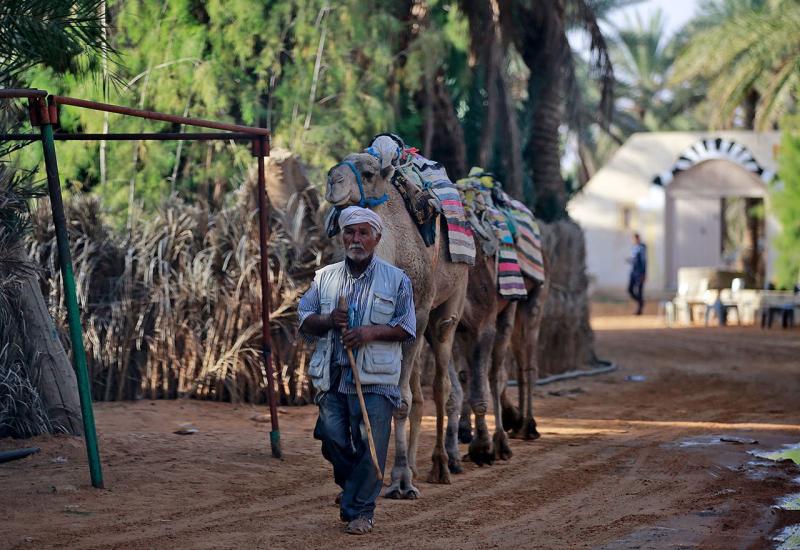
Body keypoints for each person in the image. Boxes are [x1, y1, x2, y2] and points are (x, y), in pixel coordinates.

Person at [297, 206, 415, 535]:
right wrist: (328, 320)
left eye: (364, 233)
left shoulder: (397, 280)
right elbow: (304, 319)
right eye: (350, 232)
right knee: (331, 438)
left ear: (377, 238)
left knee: (371, 447)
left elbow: (407, 327)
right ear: (342, 236)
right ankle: (353, 486)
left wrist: (369, 333)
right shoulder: (325, 278)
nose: (356, 239)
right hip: (333, 377)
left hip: (375, 381)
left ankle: (361, 510)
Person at [627, 232, 647, 315]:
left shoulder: (642, 248)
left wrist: (643, 273)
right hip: (633, 272)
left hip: (639, 273)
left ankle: (639, 310)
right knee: (630, 289)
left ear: (638, 238)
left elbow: (643, 261)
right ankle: (641, 302)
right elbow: (635, 260)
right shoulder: (634, 248)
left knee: (639, 291)